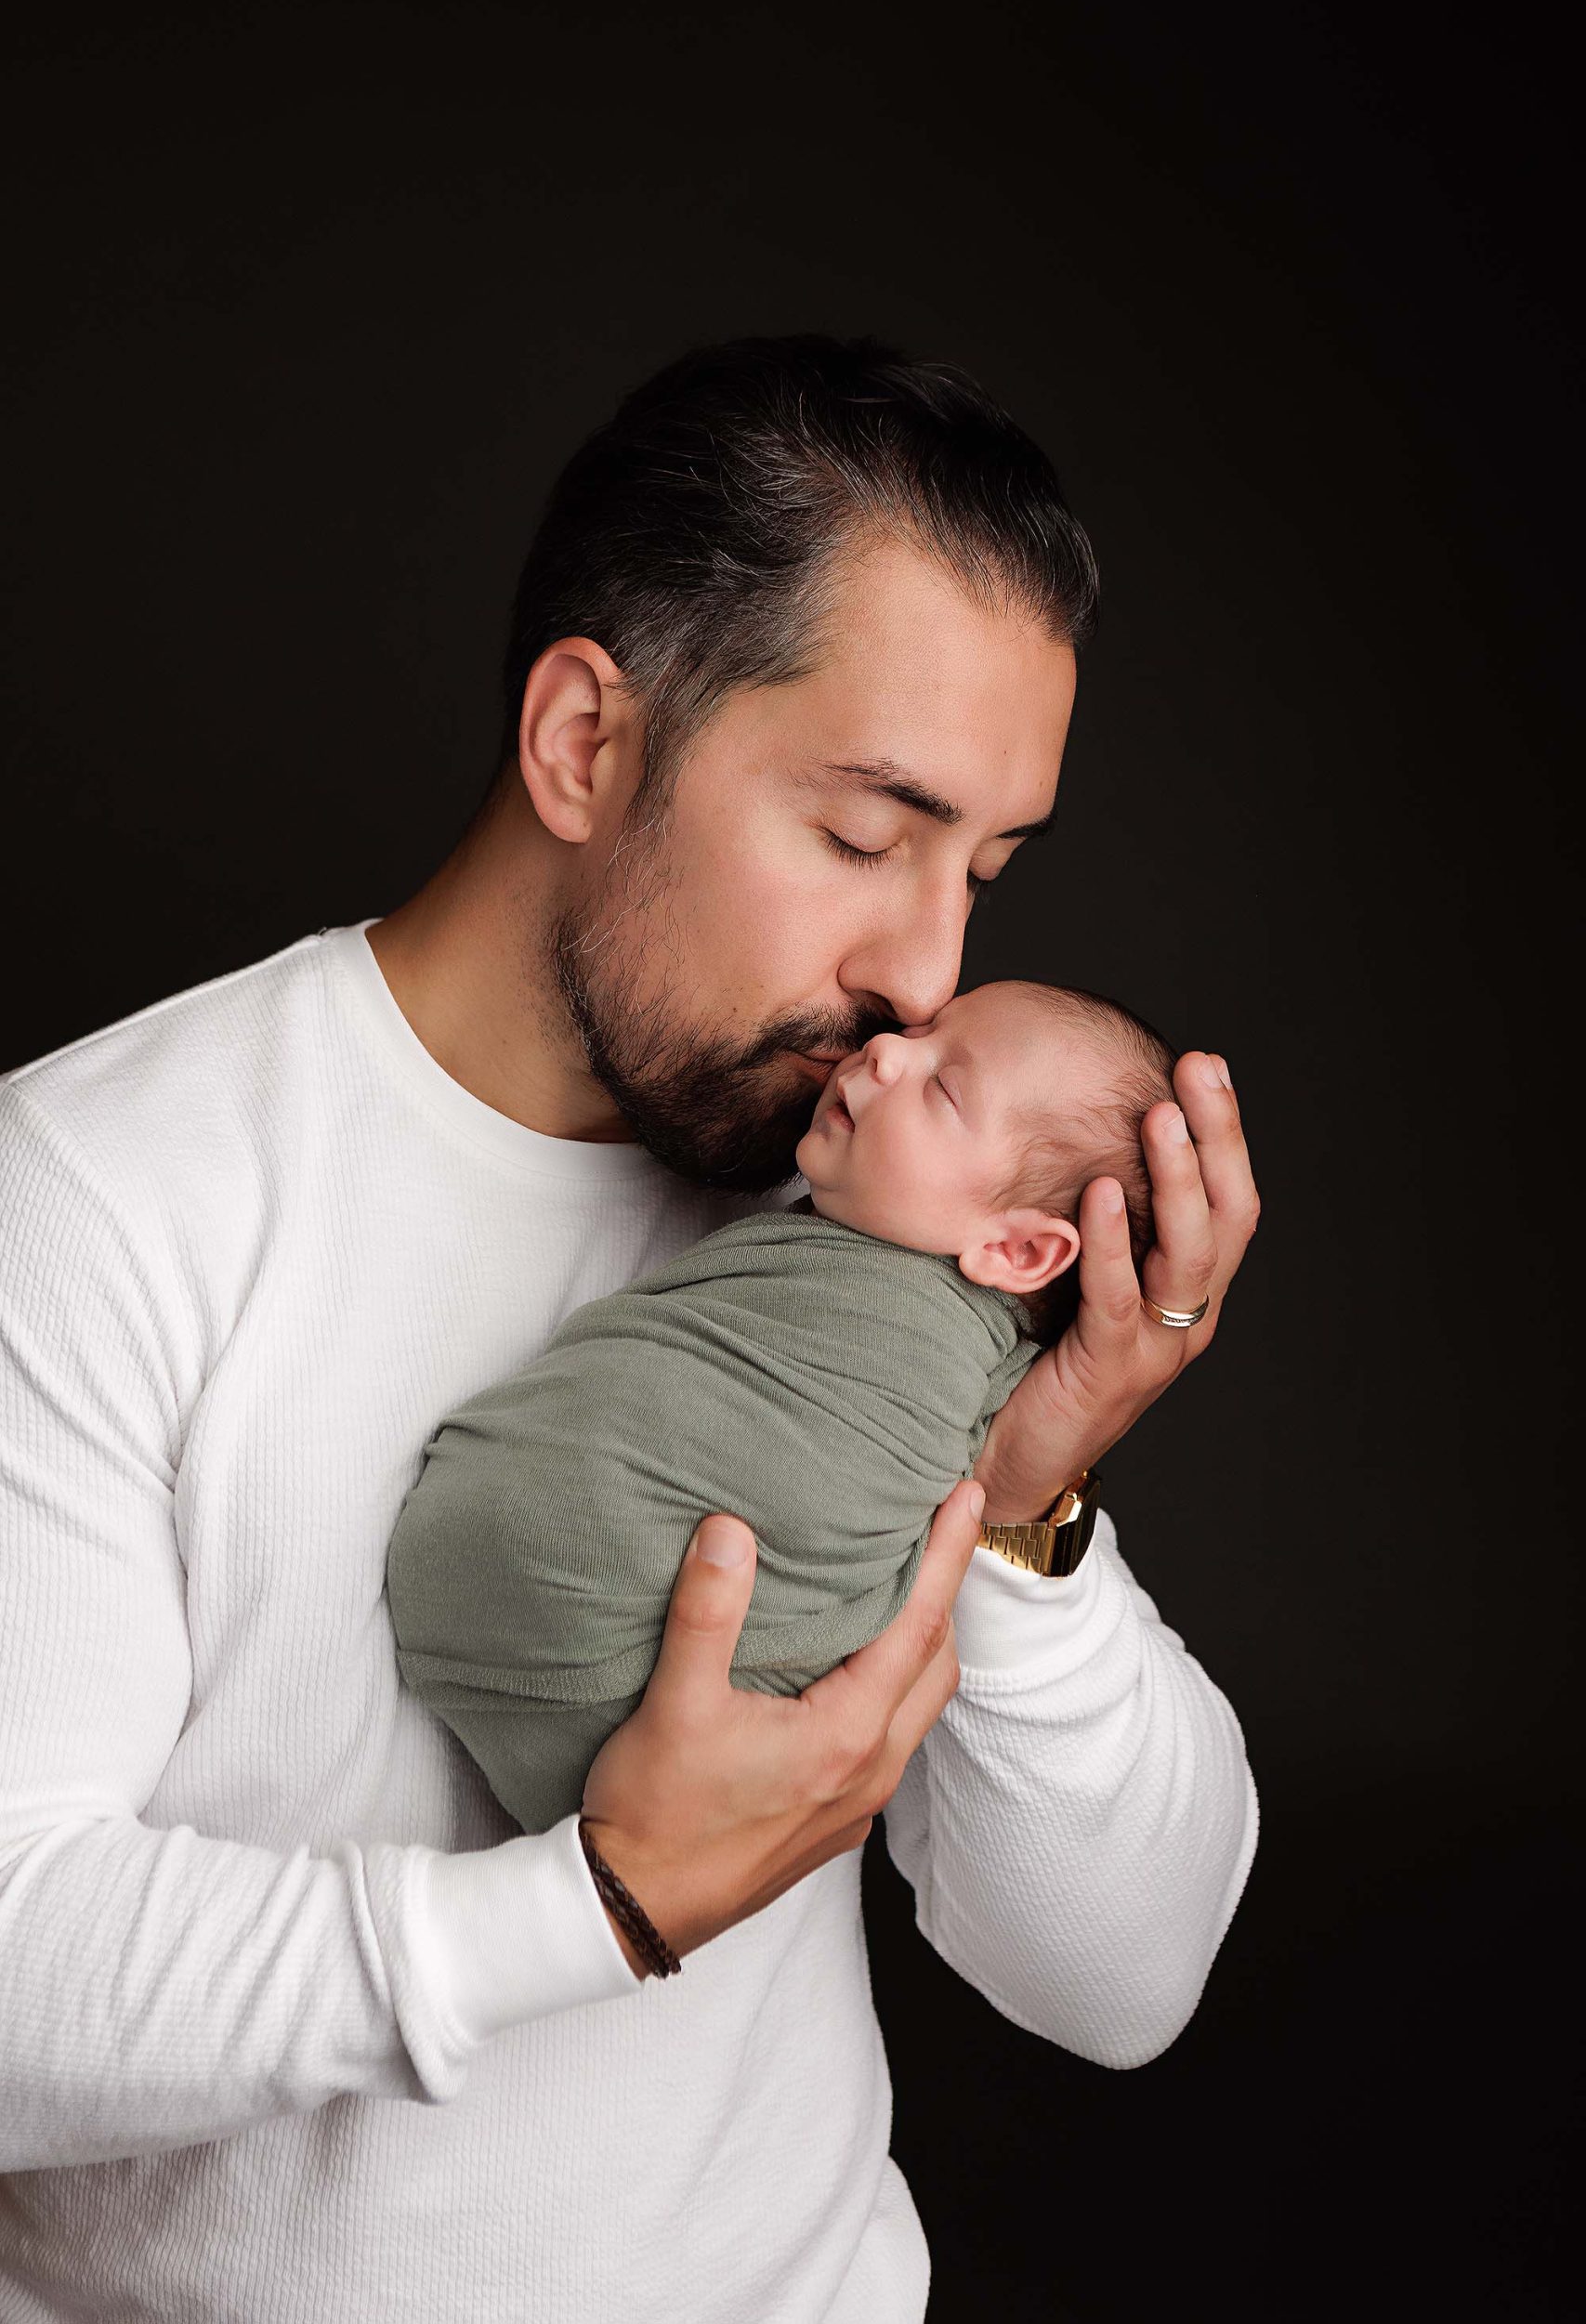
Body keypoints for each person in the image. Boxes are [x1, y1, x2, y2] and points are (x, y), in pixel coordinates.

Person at [0, 334, 1261, 2323]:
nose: (926, 971)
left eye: (985, 869)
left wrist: (1026, 1509)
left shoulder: (864, 1200)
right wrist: (584, 1905)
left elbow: (1120, 1980)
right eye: (865, 836)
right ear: (588, 739)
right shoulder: (94, 1195)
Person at [387, 980, 1176, 1842]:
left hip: (624, 1711)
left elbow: (1121, 1965)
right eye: (920, 1033)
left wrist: (1015, 1505)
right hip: (562, 1671)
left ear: (1017, 1249)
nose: (885, 1049)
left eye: (942, 1086)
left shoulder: (936, 1366)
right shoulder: (810, 1208)